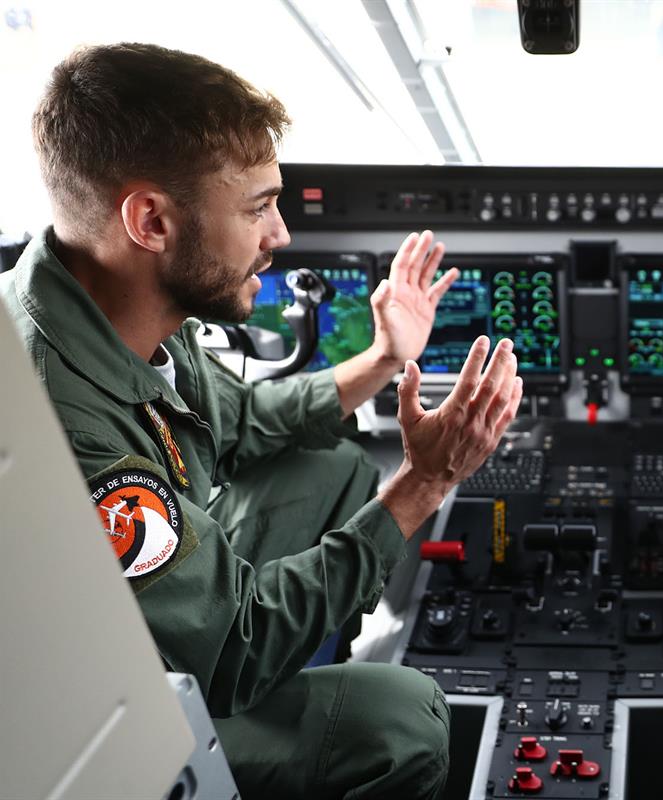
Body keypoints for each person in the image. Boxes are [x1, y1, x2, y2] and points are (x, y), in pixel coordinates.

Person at [1, 43, 522, 799]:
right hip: (104, 711)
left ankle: (312, 675)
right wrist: (425, 481)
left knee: (336, 469)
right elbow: (230, 653)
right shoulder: (69, 426)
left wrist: (381, 357)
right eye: (257, 208)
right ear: (152, 221)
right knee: (404, 719)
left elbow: (240, 419)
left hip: (125, 624)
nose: (279, 236)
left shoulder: (109, 295)